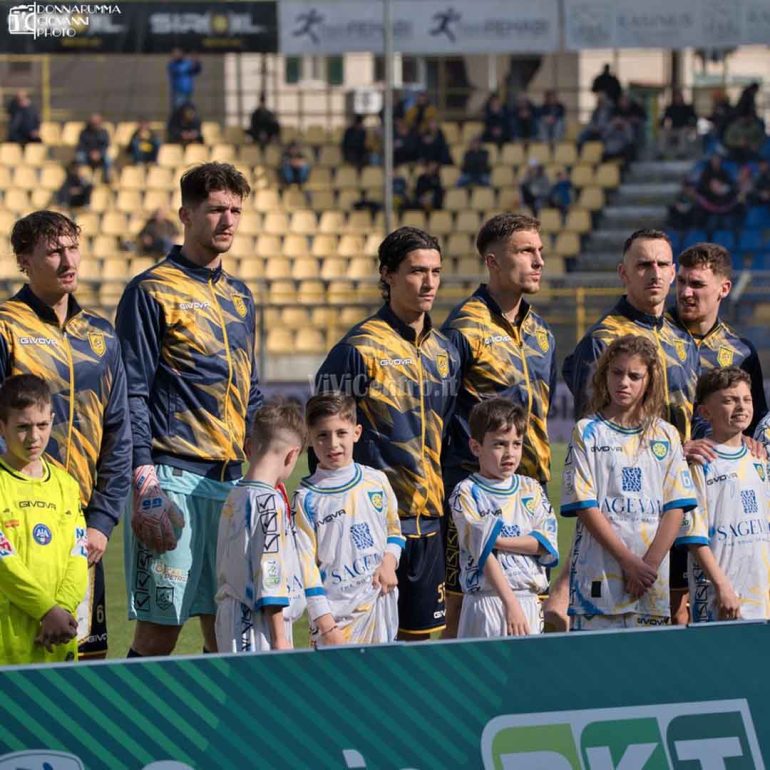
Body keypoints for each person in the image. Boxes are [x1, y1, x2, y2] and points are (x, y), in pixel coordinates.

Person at [116, 162, 262, 657]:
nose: (228, 221)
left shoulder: (241, 297)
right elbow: (132, 392)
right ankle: (125, 734)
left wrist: (266, 471)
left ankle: (221, 737)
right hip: (172, 479)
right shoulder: (149, 290)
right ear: (186, 214)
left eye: (236, 210)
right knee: (159, 634)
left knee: (225, 634)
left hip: (231, 485)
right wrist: (143, 480)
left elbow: (251, 391)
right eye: (216, 210)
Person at [315, 227, 460, 641]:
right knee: (362, 639)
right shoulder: (357, 349)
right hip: (371, 522)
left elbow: (447, 434)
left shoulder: (445, 352)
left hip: (429, 516)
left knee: (417, 639)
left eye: (435, 271)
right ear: (388, 275)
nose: (429, 282)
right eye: (416, 271)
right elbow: (325, 437)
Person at [554, 229, 699, 630]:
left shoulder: (683, 339)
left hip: (676, 508)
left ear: (673, 273)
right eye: (643, 265)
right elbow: (598, 439)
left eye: (662, 264)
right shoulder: (602, 341)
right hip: (624, 518)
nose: (654, 273)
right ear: (624, 273)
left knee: (678, 620)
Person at [2, 210, 131, 660]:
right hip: (15, 515)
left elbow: (119, 432)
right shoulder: (6, 326)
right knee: (16, 652)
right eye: (52, 251)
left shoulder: (101, 336)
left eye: (72, 247)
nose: (66, 260)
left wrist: (102, 519)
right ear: (24, 260)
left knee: (82, 658)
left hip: (79, 522)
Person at [441, 213, 555, 638]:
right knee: (462, 607)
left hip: (530, 488)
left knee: (529, 609)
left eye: (539, 251)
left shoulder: (543, 333)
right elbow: (443, 414)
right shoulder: (462, 329)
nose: (538, 261)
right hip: (474, 488)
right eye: (526, 251)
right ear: (492, 261)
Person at [562, 335, 697, 631]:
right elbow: (585, 506)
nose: (624, 382)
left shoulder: (666, 435)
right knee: (596, 672)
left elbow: (676, 507)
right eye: (617, 372)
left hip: (650, 585)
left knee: (647, 675)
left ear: (649, 381)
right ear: (604, 374)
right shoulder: (587, 432)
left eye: (634, 376)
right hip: (599, 580)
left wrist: (648, 565)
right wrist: (628, 562)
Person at [215, 402, 336, 652]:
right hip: (258, 623)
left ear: (250, 446)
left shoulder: (235, 494)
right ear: (292, 455)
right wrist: (280, 636)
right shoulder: (270, 503)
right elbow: (270, 571)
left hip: (230, 616)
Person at [293, 392, 404, 645]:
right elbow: (306, 567)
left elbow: (395, 533)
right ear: (309, 438)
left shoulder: (376, 481)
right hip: (336, 622)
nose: (333, 444)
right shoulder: (306, 498)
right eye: (322, 435)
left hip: (380, 608)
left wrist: (389, 561)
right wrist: (326, 624)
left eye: (341, 433)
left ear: (356, 432)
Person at [450, 399, 558, 639]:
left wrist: (495, 540)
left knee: (525, 676)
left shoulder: (532, 489)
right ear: (476, 447)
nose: (510, 453)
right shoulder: (467, 492)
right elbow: (483, 554)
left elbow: (544, 543)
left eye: (516, 444)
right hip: (486, 603)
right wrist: (510, 604)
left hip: (528, 601)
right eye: (499, 444)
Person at [0, 374, 88, 665]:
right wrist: (45, 609)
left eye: (42, 425)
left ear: (52, 419)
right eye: (22, 427)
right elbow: (4, 562)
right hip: (9, 643)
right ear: (2, 427)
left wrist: (61, 611)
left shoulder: (66, 485)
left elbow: (78, 553)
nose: (34, 437)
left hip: (58, 635)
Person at [682, 367, 770, 623]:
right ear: (705, 412)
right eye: (729, 400)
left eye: (746, 399)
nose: (741, 407)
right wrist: (722, 587)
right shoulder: (700, 462)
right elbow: (694, 536)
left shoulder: (759, 459)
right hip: (719, 594)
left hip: (760, 592)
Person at [669, 242, 767, 439]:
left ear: (724, 289)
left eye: (697, 284)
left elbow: (755, 420)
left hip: (719, 465)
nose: (685, 292)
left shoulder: (742, 353)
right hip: (661, 462)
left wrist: (754, 443)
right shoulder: (652, 337)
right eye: (681, 282)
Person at [694, 153, 743, 233]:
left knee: (728, 227)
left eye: (718, 160)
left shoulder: (724, 173)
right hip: (709, 208)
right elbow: (700, 189)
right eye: (714, 160)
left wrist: (722, 188)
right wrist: (711, 189)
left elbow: (731, 187)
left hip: (725, 205)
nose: (716, 162)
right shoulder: (705, 174)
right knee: (710, 226)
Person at [658, 89, 697, 160]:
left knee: (683, 131)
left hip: (685, 129)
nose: (678, 98)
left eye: (679, 97)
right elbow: (664, 118)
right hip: (673, 129)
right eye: (676, 97)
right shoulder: (670, 108)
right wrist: (661, 126)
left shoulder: (688, 108)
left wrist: (692, 126)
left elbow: (694, 118)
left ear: (682, 98)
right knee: (663, 132)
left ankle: (681, 153)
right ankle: (661, 153)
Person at [75, 113, 112, 183]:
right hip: (87, 154)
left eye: (97, 123)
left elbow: (105, 145)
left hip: (100, 154)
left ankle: (107, 178)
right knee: (79, 157)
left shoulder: (104, 132)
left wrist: (99, 153)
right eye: (94, 123)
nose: (95, 124)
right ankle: (82, 180)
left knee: (108, 159)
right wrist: (90, 153)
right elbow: (81, 146)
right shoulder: (84, 133)